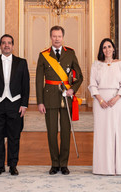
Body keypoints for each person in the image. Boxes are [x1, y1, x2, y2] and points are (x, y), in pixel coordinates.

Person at [36, 26, 83, 175]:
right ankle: (54, 163)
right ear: (50, 37)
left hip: (66, 98)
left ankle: (64, 164)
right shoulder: (43, 55)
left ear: (63, 37)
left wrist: (72, 89)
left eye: (59, 36)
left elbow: (79, 76)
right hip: (49, 97)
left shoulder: (70, 53)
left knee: (65, 132)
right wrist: (40, 102)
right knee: (51, 132)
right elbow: (38, 81)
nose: (57, 39)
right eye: (54, 36)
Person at [0, 34, 30, 176]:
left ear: (13, 45)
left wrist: (24, 105)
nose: (6, 45)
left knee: (14, 137)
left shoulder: (21, 63)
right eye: (4, 43)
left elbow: (25, 85)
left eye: (9, 43)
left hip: (15, 104)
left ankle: (12, 165)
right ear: (0, 45)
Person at [88, 38, 121, 175]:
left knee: (115, 132)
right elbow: (92, 84)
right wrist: (100, 100)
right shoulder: (96, 65)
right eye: (104, 47)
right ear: (102, 50)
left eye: (109, 46)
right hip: (100, 102)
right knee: (101, 134)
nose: (107, 49)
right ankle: (101, 168)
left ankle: (117, 167)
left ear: (113, 49)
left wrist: (116, 98)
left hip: (117, 103)